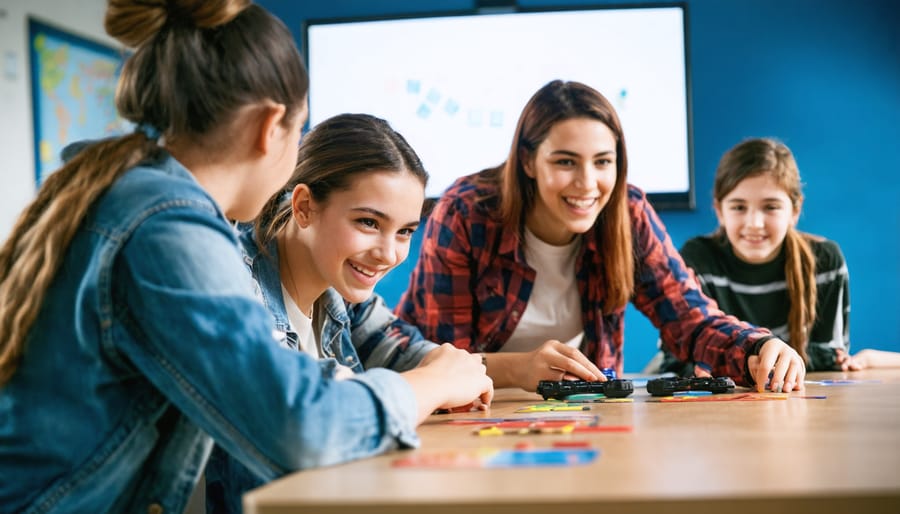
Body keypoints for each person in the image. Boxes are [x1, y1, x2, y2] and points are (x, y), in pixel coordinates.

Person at [0, 2, 491, 512]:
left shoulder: (141, 197)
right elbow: (299, 426)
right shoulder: (167, 227)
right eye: (299, 130)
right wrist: (429, 384)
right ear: (271, 125)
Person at [396, 79, 806, 393]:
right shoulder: (466, 212)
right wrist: (518, 368)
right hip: (464, 403)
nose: (587, 183)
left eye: (603, 162)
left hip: (565, 405)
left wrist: (756, 348)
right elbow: (441, 365)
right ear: (528, 161)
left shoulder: (627, 212)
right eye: (565, 162)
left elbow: (689, 319)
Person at [205, 113, 491, 512]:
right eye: (368, 222)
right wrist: (436, 381)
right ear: (304, 207)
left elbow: (406, 351)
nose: (388, 254)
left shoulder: (339, 288)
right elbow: (303, 423)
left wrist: (450, 370)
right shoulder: (234, 279)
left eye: (405, 231)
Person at [655, 137, 900, 375]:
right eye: (738, 207)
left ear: (795, 210)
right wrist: (758, 360)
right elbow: (677, 361)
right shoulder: (697, 259)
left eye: (771, 207)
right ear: (719, 210)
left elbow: (832, 356)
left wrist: (751, 362)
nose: (754, 223)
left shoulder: (824, 261)